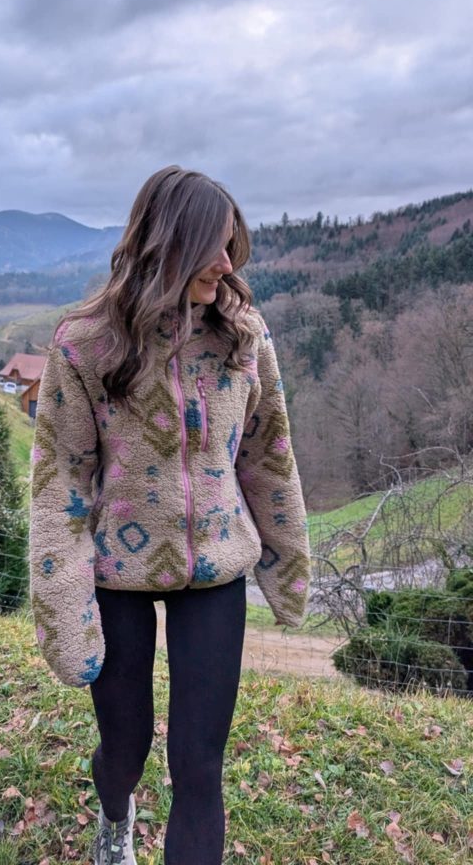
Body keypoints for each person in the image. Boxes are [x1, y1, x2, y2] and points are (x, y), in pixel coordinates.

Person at [29, 166, 311, 865]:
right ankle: (114, 819)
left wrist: (287, 562)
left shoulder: (243, 339)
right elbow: (61, 481)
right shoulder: (84, 345)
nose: (227, 264)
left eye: (231, 246)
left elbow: (269, 456)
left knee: (199, 767)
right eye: (213, 247)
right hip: (116, 576)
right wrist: (63, 605)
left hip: (215, 572)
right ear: (167, 244)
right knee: (124, 748)